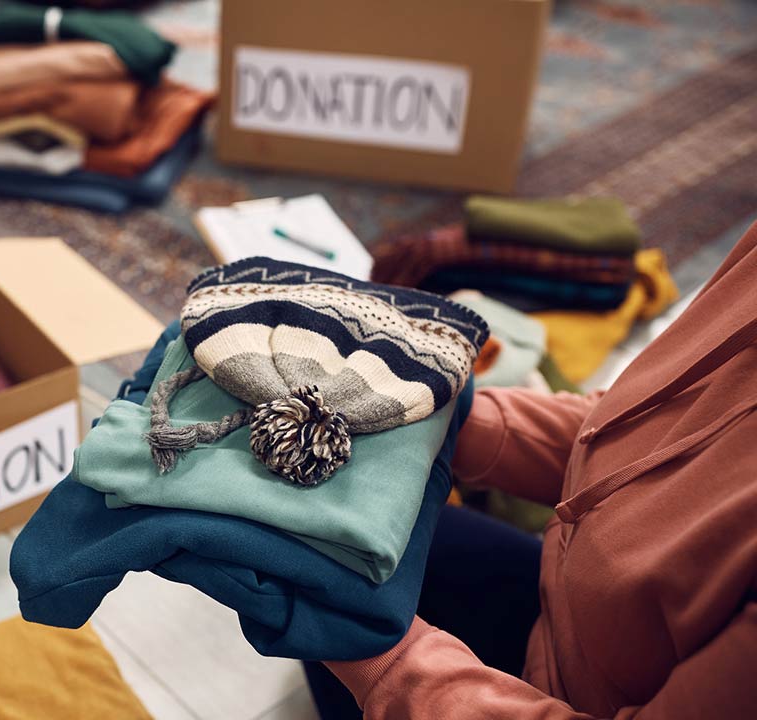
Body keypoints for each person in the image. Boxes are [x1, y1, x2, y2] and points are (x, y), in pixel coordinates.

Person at [303, 222, 757, 718]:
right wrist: (438, 417)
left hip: (575, 694)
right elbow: (646, 425)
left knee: (317, 559)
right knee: (335, 525)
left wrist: (386, 665)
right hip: (560, 607)